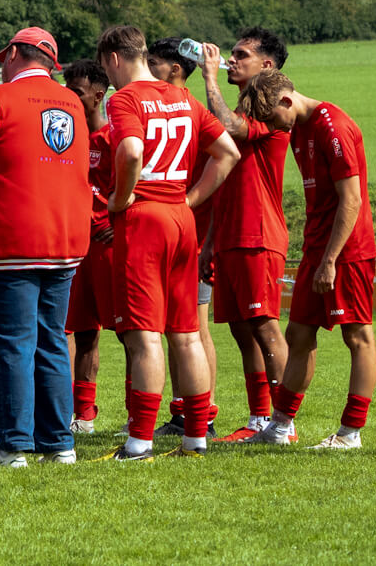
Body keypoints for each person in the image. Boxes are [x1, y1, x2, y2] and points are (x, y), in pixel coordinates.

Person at [0, 27, 90, 468]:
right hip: (64, 241)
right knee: (51, 342)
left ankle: (13, 446)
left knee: (12, 346)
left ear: (11, 55)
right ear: (51, 64)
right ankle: (59, 444)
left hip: (8, 240)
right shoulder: (75, 106)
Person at [97, 25, 239, 460]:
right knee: (186, 333)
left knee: (144, 336)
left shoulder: (124, 99)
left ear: (114, 59)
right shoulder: (184, 98)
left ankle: (139, 442)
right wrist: (191, 198)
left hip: (145, 220)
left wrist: (120, 199)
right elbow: (228, 152)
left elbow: (132, 152)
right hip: (181, 218)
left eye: (106, 67)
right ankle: (196, 437)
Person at [237, 71, 376, 449]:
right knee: (298, 334)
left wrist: (331, 259)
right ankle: (279, 428)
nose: (270, 127)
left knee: (357, 335)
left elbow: (351, 200)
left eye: (271, 118)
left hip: (346, 249)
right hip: (318, 247)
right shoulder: (297, 128)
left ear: (287, 101)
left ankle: (351, 433)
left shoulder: (334, 127)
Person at [199, 28, 292, 443]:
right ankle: (259, 420)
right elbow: (226, 181)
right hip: (232, 236)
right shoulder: (245, 110)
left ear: (266, 66)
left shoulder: (273, 113)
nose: (231, 60)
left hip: (259, 233)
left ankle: (285, 424)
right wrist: (210, 242)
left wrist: (209, 79)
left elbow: (229, 127)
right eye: (231, 55)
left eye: (241, 55)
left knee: (266, 327)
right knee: (242, 329)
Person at [143, 38, 220, 438]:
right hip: (182, 227)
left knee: (190, 330)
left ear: (175, 69)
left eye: (153, 62)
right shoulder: (182, 108)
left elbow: (226, 152)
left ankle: (200, 415)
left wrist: (190, 201)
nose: (147, 68)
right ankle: (187, 416)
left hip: (184, 230)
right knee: (182, 331)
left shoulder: (185, 109)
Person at [60, 58, 112, 434]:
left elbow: (137, 182)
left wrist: (116, 222)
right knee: (80, 331)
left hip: (109, 247)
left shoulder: (114, 138)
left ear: (98, 95)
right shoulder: (66, 138)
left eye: (75, 92)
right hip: (75, 246)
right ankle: (83, 415)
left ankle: (135, 417)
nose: (68, 99)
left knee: (132, 333)